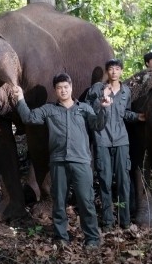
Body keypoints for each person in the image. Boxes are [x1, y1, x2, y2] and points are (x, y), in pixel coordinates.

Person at [13, 74, 111, 249]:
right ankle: (61, 237)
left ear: (71, 87)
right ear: (55, 90)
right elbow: (28, 118)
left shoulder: (85, 109)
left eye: (66, 87)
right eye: (59, 88)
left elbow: (98, 125)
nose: (63, 90)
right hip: (58, 162)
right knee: (59, 202)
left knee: (86, 201)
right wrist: (20, 98)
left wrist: (104, 108)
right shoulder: (49, 110)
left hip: (81, 162)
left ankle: (92, 239)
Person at [87, 59, 142, 230]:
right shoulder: (97, 89)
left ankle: (124, 220)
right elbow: (89, 110)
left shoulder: (126, 91)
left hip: (121, 140)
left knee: (123, 180)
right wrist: (102, 98)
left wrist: (138, 117)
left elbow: (124, 113)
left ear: (121, 72)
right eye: (111, 69)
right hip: (102, 139)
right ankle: (108, 221)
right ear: (106, 72)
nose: (114, 72)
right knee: (104, 180)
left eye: (117, 69)